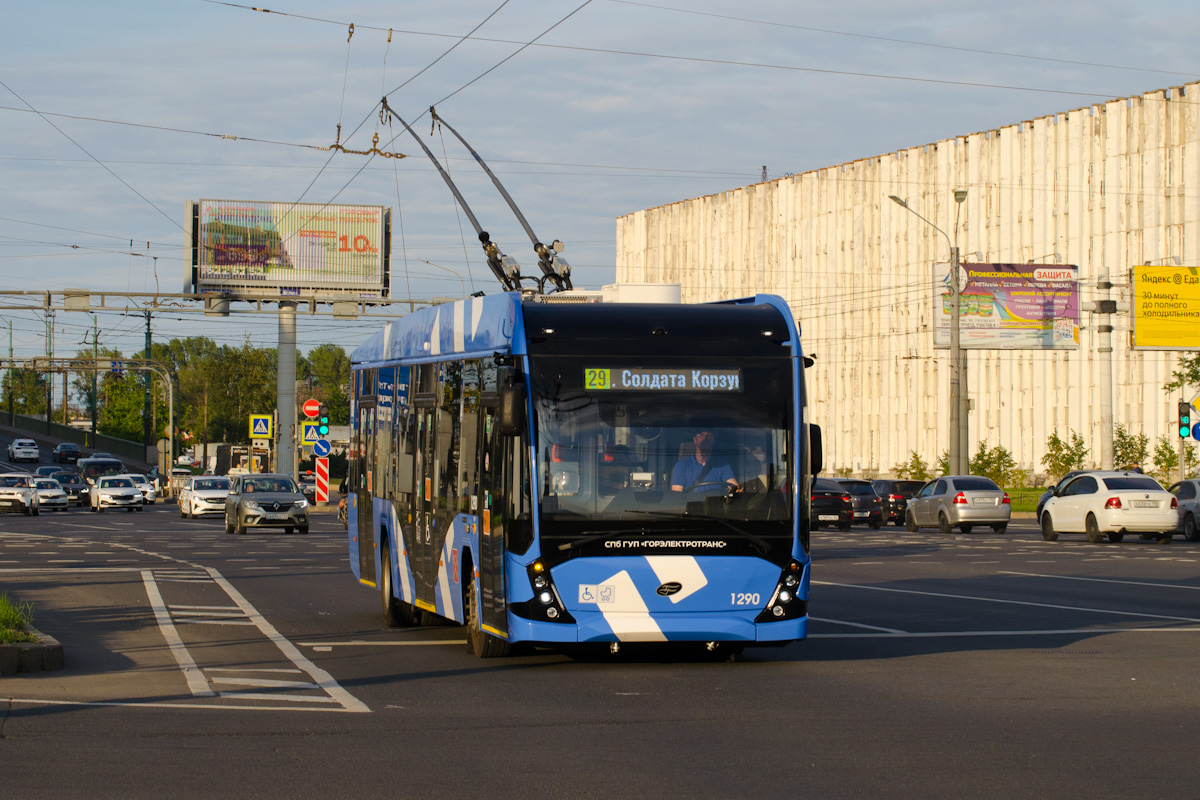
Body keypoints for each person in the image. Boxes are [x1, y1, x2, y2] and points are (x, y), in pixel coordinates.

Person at [671, 430, 738, 492]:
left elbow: (735, 489)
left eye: (708, 436)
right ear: (695, 440)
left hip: (716, 501)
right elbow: (677, 495)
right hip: (690, 501)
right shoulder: (681, 465)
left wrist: (736, 490)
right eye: (701, 435)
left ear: (713, 441)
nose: (705, 438)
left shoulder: (722, 465)